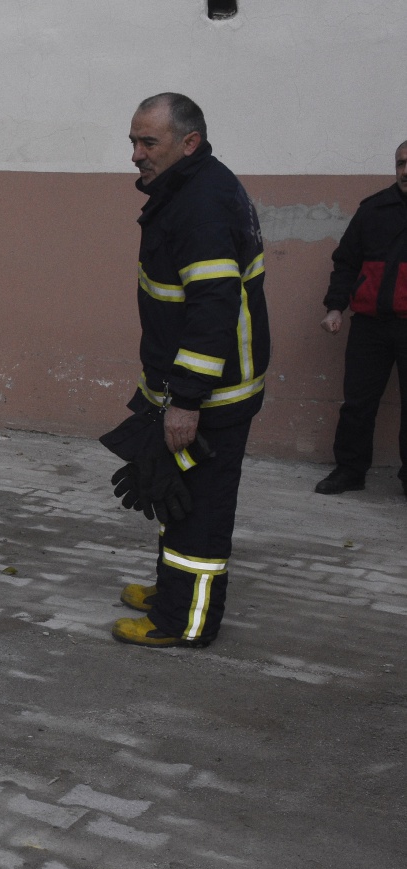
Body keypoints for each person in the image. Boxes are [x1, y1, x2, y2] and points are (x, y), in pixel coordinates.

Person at [104, 93, 269, 649]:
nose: (135, 154)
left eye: (148, 142)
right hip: (190, 389)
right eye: (133, 140)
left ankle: (185, 623)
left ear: (188, 143)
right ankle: (170, 592)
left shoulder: (201, 203)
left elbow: (212, 310)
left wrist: (187, 400)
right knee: (175, 495)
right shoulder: (187, 188)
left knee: (200, 513)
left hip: (213, 397)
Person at [314, 140, 407, 497]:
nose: (405, 170)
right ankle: (350, 470)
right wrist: (335, 308)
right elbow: (347, 262)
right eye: (400, 163)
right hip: (370, 325)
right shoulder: (373, 210)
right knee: (358, 403)